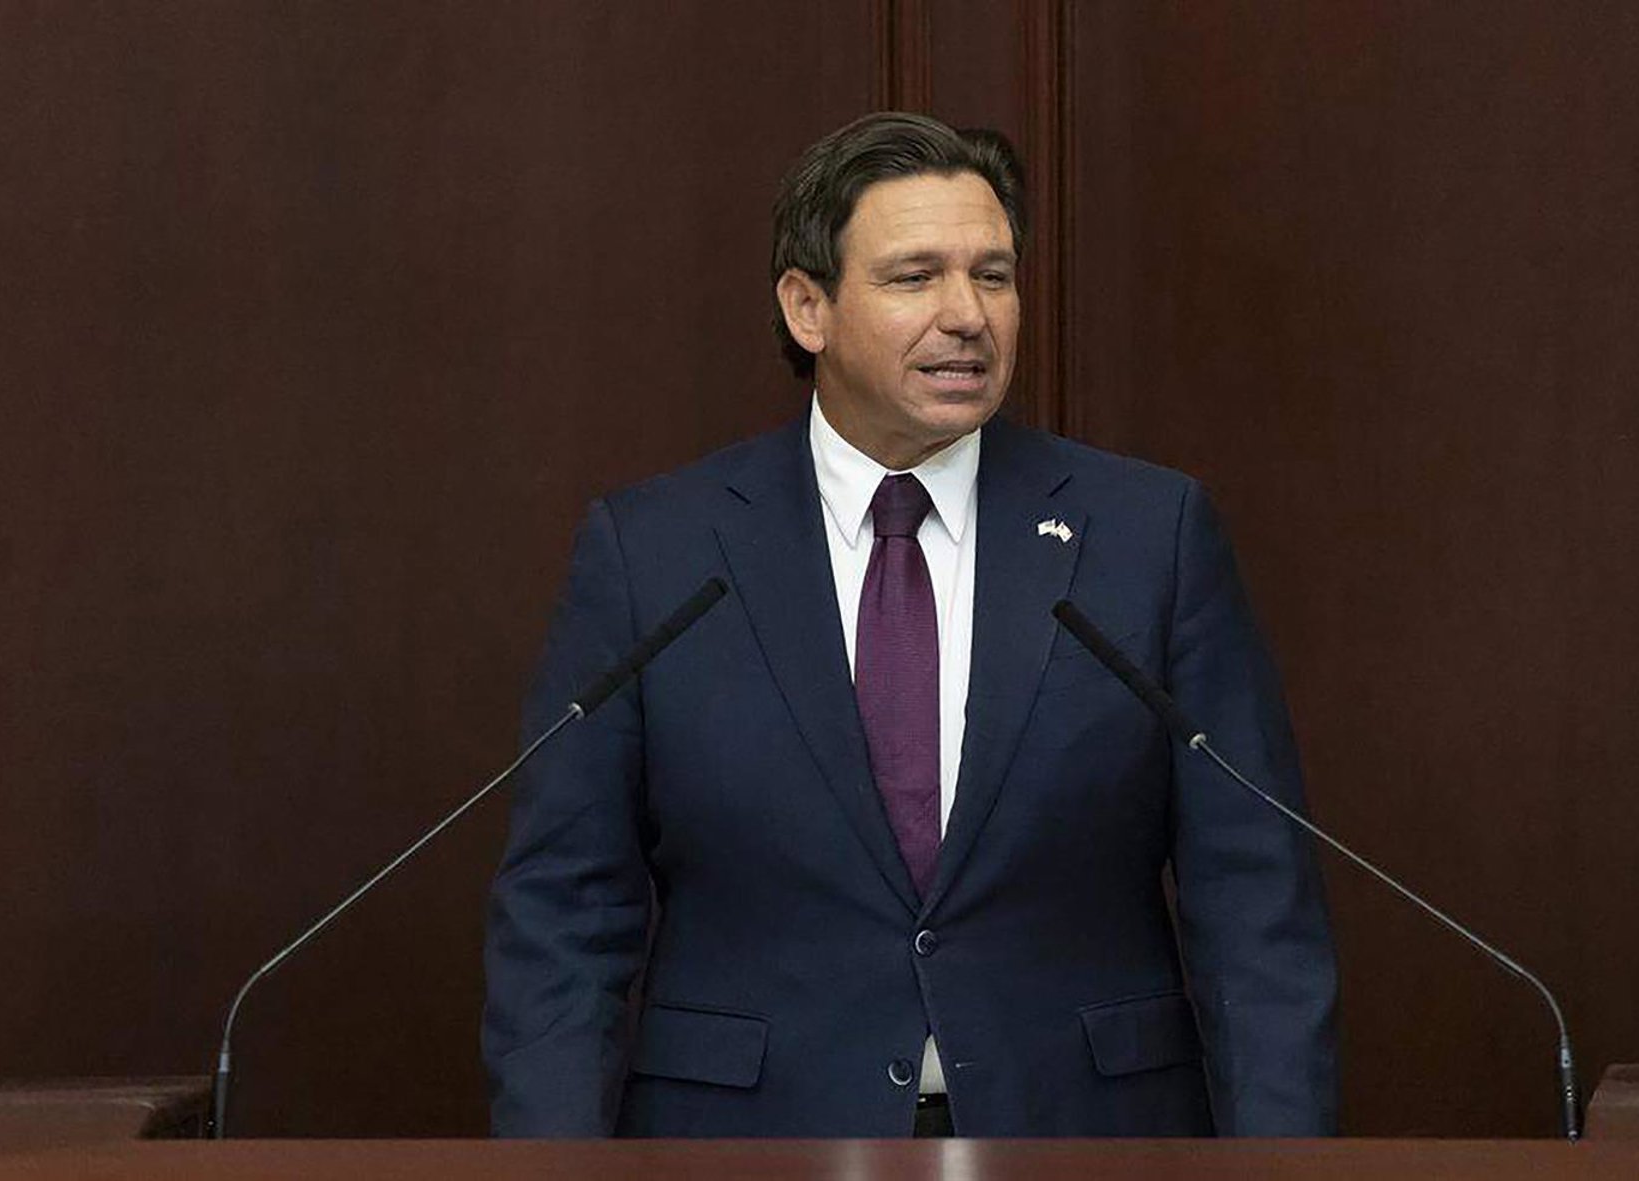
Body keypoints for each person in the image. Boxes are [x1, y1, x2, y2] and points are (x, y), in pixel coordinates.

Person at [482, 111, 1337, 1139]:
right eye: (914, 276)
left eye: (993, 275)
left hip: (1081, 1135)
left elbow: (1255, 901)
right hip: (752, 1141)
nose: (967, 314)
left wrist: (1284, 1165)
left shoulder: (1150, 536)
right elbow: (565, 910)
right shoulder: (655, 552)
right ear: (808, 307)